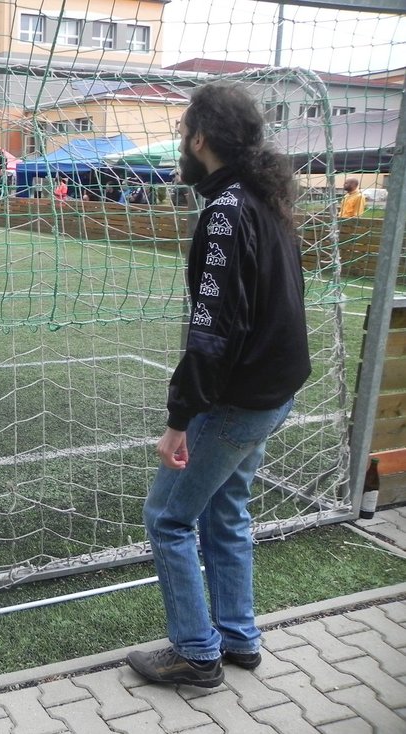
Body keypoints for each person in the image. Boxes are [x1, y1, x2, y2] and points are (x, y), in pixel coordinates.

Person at [125, 82, 311, 689]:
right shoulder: (263, 200)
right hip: (272, 394)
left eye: (184, 133)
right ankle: (239, 638)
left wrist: (179, 420)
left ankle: (197, 654)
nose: (183, 144)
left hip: (239, 400)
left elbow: (211, 331)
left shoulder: (228, 211)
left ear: (199, 138)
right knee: (226, 510)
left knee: (169, 519)